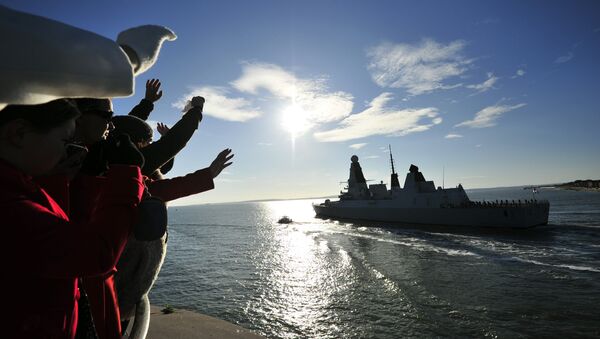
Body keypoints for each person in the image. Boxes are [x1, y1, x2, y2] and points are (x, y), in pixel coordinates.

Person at [0, 99, 145, 338]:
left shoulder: (18, 187)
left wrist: (58, 178)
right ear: (19, 134)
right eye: (65, 141)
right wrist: (126, 172)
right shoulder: (10, 209)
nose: (67, 150)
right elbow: (96, 253)